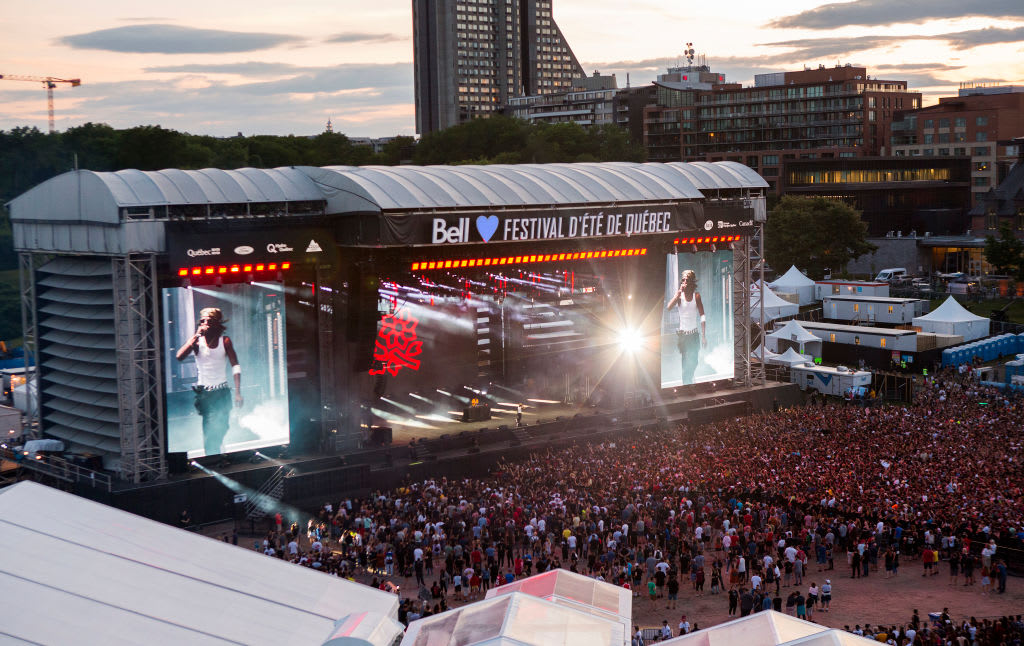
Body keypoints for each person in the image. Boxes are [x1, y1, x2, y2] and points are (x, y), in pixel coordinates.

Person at [176, 307, 242, 456]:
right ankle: (212, 456)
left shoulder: (224, 341)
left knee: (223, 426)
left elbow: (235, 365)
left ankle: (216, 451)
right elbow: (179, 356)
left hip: (222, 392)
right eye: (202, 321)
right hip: (205, 394)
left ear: (216, 323)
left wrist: (238, 392)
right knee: (211, 428)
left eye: (209, 320)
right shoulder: (197, 342)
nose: (205, 323)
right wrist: (196, 335)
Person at [666, 269, 706, 384]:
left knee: (694, 361)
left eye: (687, 280)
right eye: (682, 280)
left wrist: (703, 336)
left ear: (692, 282)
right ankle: (687, 384)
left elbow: (702, 315)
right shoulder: (679, 296)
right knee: (685, 363)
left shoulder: (696, 296)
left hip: (694, 335)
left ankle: (689, 379)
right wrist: (677, 294)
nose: (684, 282)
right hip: (683, 336)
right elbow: (668, 307)